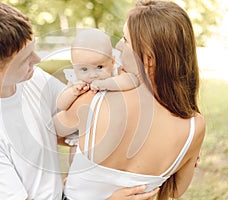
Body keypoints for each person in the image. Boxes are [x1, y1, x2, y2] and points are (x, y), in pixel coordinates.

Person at [0, 1, 159, 199]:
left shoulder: (30, 79)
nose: (38, 61)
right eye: (25, 60)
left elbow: (79, 123)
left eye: (32, 51)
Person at [53, 0, 206, 200]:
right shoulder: (195, 127)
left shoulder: (93, 100)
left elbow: (50, 134)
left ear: (148, 59)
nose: (117, 45)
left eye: (125, 40)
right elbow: (173, 192)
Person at [57, 29, 139, 164]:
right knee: (76, 157)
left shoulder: (115, 72)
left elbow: (132, 81)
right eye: (84, 69)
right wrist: (73, 92)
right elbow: (61, 105)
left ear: (112, 61)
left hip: (107, 127)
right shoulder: (75, 80)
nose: (92, 74)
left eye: (99, 67)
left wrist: (105, 84)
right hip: (82, 130)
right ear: (74, 66)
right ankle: (74, 177)